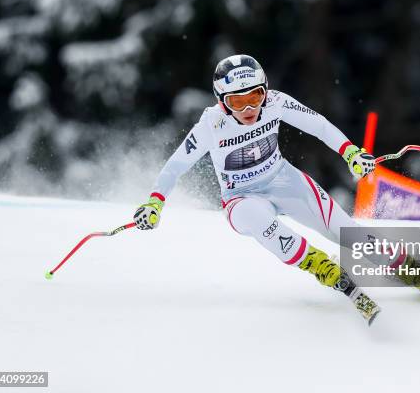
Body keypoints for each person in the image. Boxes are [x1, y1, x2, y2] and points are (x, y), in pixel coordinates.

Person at [133, 54, 387, 324]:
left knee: (347, 232)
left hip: (284, 181)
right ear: (222, 101)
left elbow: (319, 126)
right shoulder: (212, 123)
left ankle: (419, 274)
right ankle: (324, 268)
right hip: (241, 198)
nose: (248, 109)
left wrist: (350, 153)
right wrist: (155, 202)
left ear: (265, 90)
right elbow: (176, 165)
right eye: (237, 102)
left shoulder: (276, 102)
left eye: (254, 96)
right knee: (255, 218)